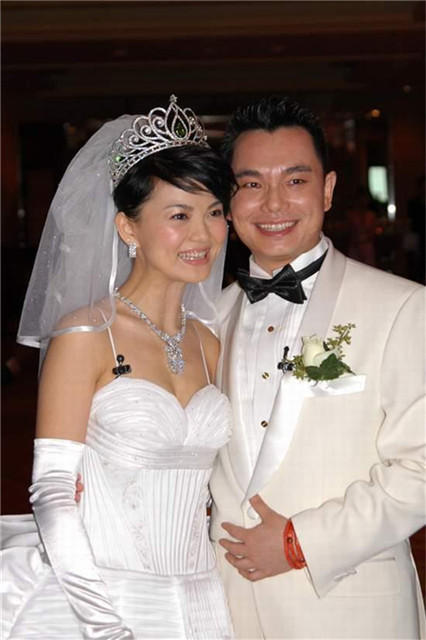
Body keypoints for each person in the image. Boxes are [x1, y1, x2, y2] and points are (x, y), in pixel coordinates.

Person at [1, 96, 236, 639]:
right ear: (128, 228)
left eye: (214, 212)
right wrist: (106, 627)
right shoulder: (85, 335)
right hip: (106, 598)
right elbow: (53, 492)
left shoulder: (209, 343)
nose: (202, 235)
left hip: (202, 603)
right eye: (178, 215)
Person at [209, 96, 426, 639]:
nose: (273, 203)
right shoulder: (205, 320)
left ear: (327, 190)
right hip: (225, 609)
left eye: (295, 180)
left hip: (351, 611)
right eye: (251, 183)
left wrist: (299, 543)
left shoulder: (401, 306)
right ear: (229, 201)